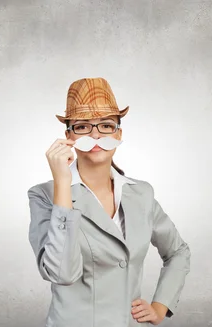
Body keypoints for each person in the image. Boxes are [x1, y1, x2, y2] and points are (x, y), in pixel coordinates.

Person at [27, 77, 191, 327]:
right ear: (68, 135)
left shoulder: (141, 193)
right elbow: (61, 273)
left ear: (118, 132)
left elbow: (178, 252)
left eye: (105, 125)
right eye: (83, 127)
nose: (95, 135)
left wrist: (160, 306)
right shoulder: (44, 196)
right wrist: (62, 183)